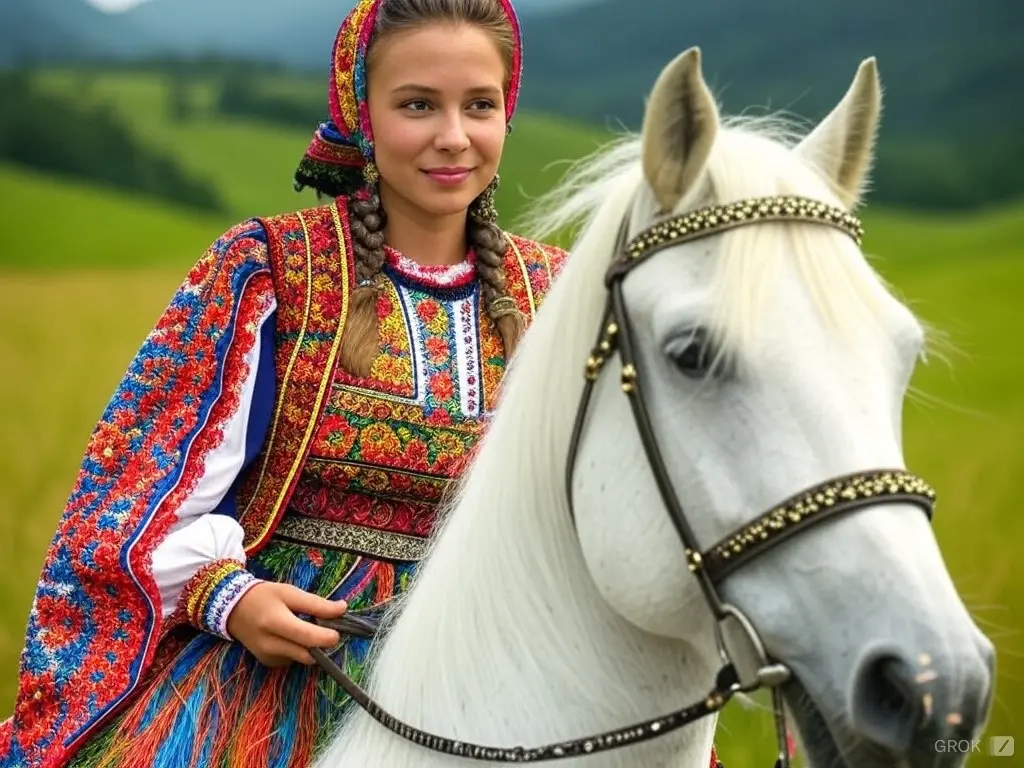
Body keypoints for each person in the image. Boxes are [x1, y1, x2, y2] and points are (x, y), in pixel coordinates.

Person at [0, 2, 724, 766]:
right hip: (284, 684)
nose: (453, 135)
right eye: (418, 104)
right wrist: (231, 597)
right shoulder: (268, 272)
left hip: (511, 678)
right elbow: (130, 494)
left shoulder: (561, 296)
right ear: (361, 113)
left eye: (479, 105)